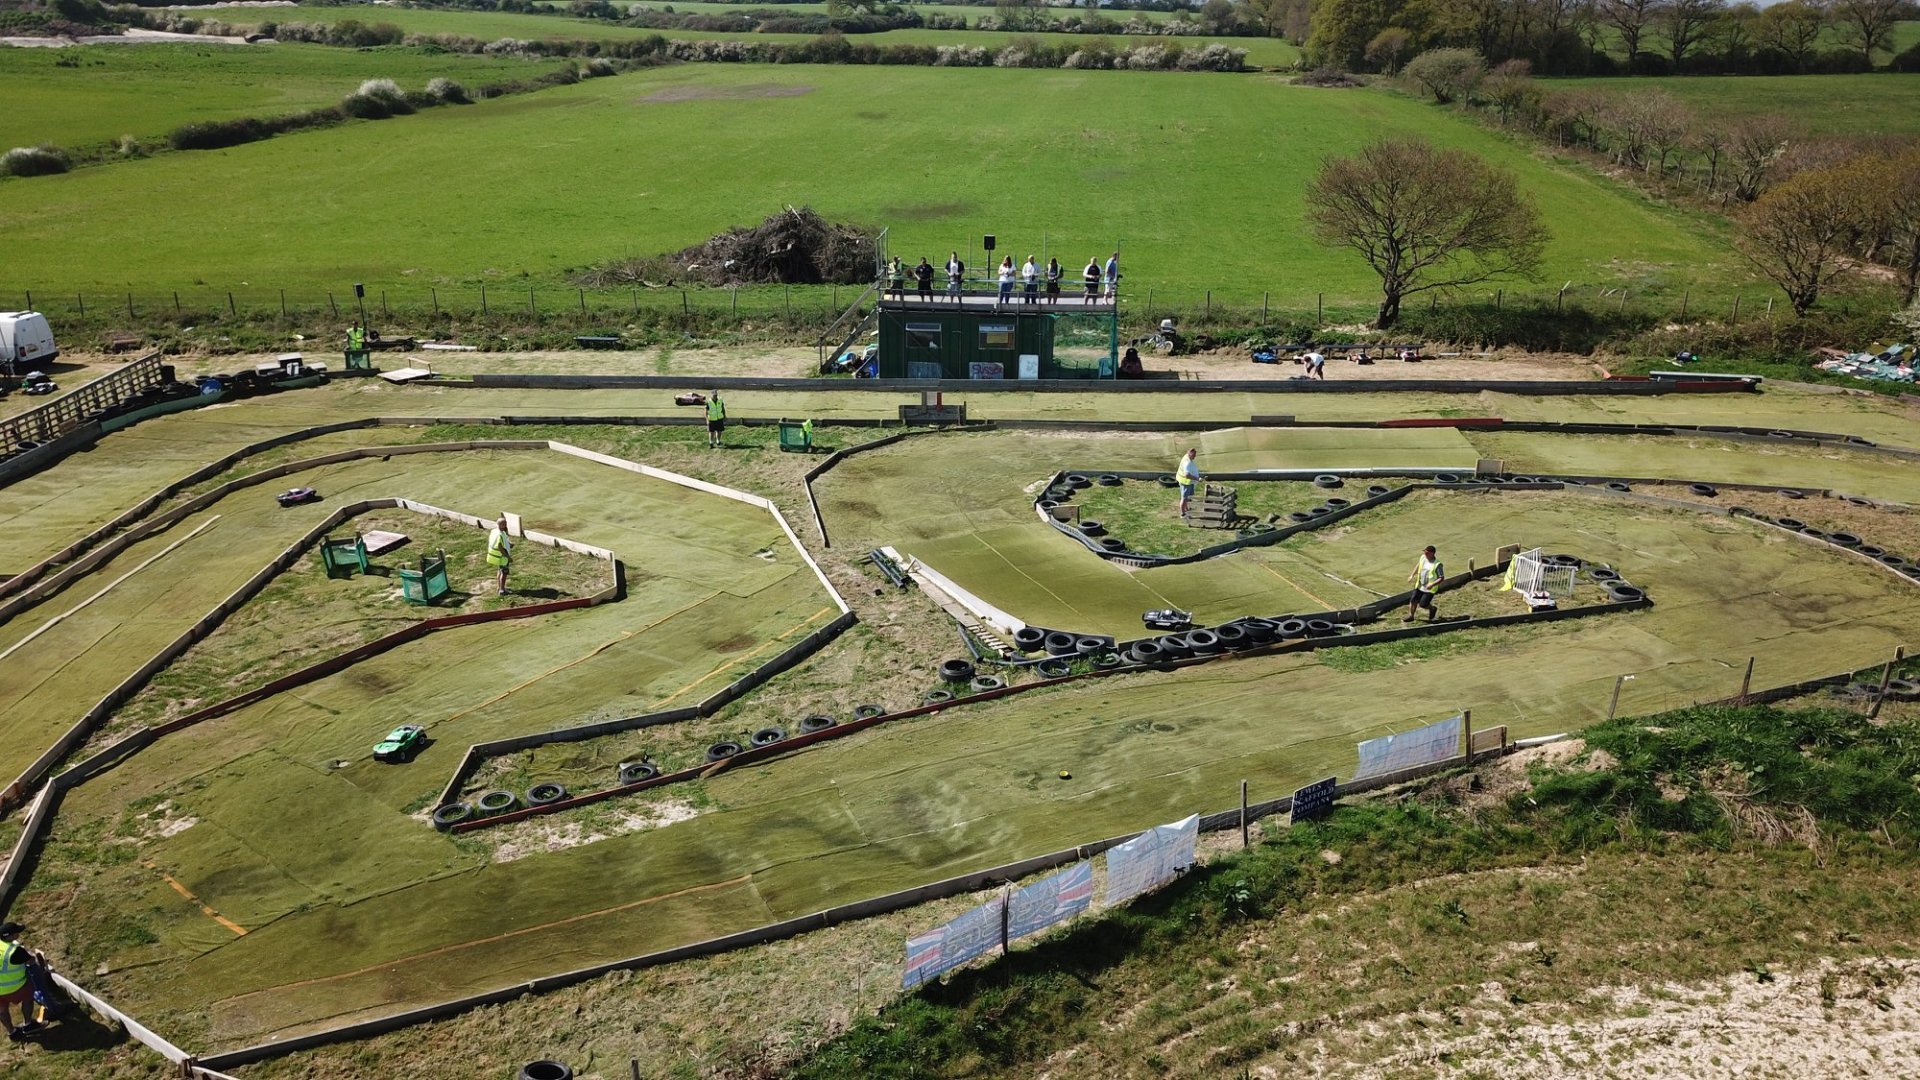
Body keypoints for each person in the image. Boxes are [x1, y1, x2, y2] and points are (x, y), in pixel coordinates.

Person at [1405, 545, 1443, 622]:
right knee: (1413, 600)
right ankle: (1411, 616)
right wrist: (1412, 575)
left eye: (1427, 553)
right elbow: (1418, 565)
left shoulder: (1437, 565)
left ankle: (1432, 609)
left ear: (1432, 553)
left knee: (1423, 604)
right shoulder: (1423, 558)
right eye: (1424, 552)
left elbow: (1441, 578)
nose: (1425, 554)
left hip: (1429, 589)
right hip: (1419, 585)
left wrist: (1432, 584)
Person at [487, 516, 513, 595]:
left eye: (506, 523)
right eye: (504, 523)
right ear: (499, 524)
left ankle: (499, 587)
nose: (505, 525)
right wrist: (508, 557)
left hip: (497, 557)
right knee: (504, 573)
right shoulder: (499, 535)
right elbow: (500, 547)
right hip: (502, 557)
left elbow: (503, 541)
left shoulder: (495, 531)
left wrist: (509, 544)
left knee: (500, 571)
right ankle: (502, 590)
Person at [1175, 447, 1201, 518]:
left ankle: (1187, 509)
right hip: (1185, 482)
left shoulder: (1187, 456)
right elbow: (1187, 475)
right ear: (1189, 454)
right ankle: (1182, 514)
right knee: (1184, 498)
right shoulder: (1187, 462)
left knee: (1188, 497)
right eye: (1193, 456)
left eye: (1195, 455)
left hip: (1189, 482)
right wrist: (1196, 478)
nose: (1194, 457)